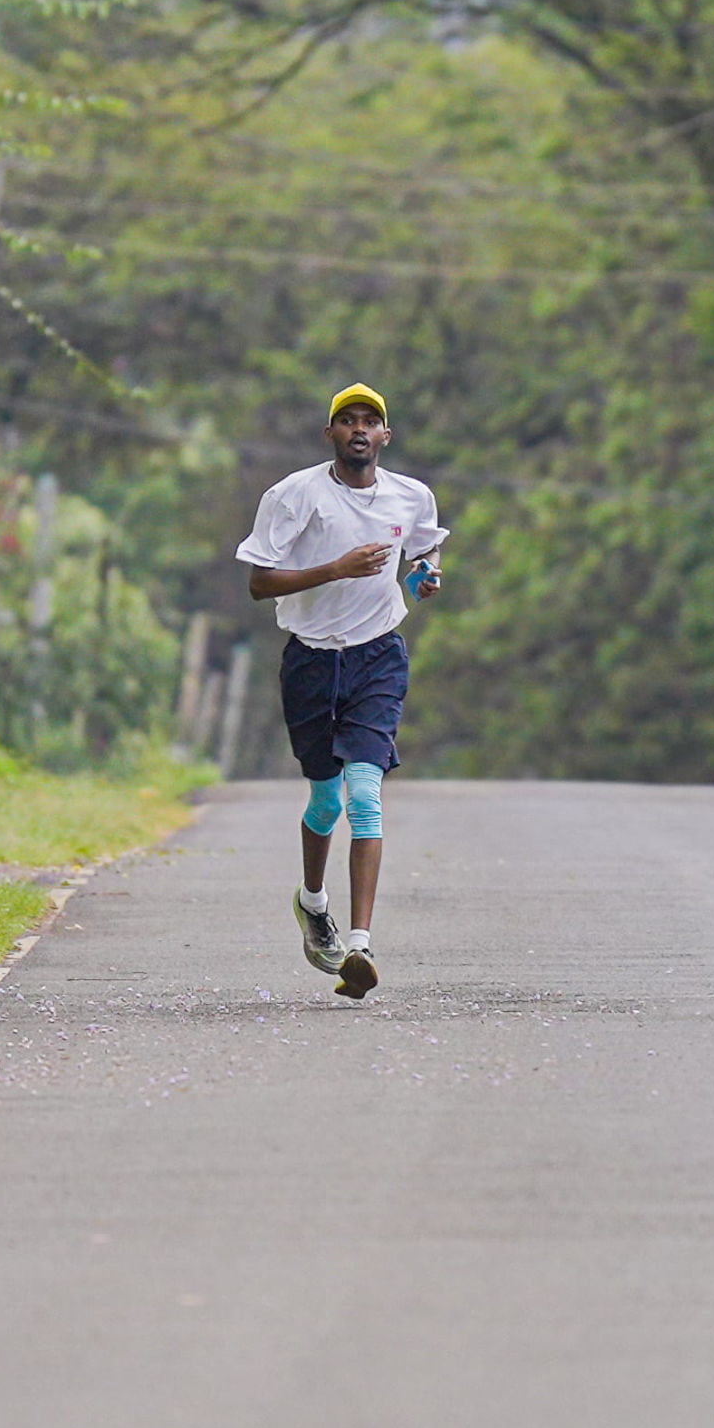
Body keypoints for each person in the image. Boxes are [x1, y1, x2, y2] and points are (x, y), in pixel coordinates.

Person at [236, 384, 449, 1000]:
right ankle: (312, 903)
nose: (359, 429)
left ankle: (359, 943)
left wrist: (425, 577)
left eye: (370, 422)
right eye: (347, 420)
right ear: (330, 433)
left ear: (385, 436)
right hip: (309, 658)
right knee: (325, 800)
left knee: (364, 792)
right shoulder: (294, 495)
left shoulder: (411, 496)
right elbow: (258, 584)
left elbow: (422, 556)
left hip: (377, 656)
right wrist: (336, 568)